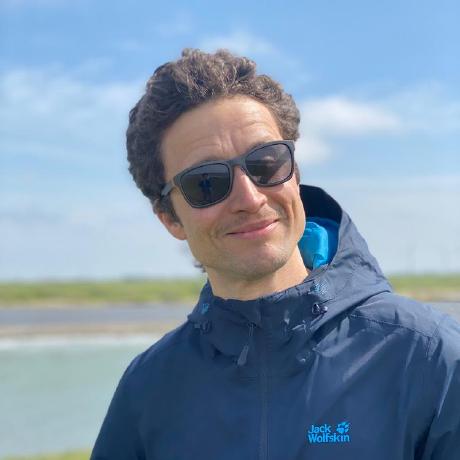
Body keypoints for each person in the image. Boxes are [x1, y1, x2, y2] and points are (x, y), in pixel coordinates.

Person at [90, 49, 460, 459]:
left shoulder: (430, 358)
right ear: (169, 218)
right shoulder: (147, 392)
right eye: (206, 182)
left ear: (295, 174)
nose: (250, 198)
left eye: (266, 163)